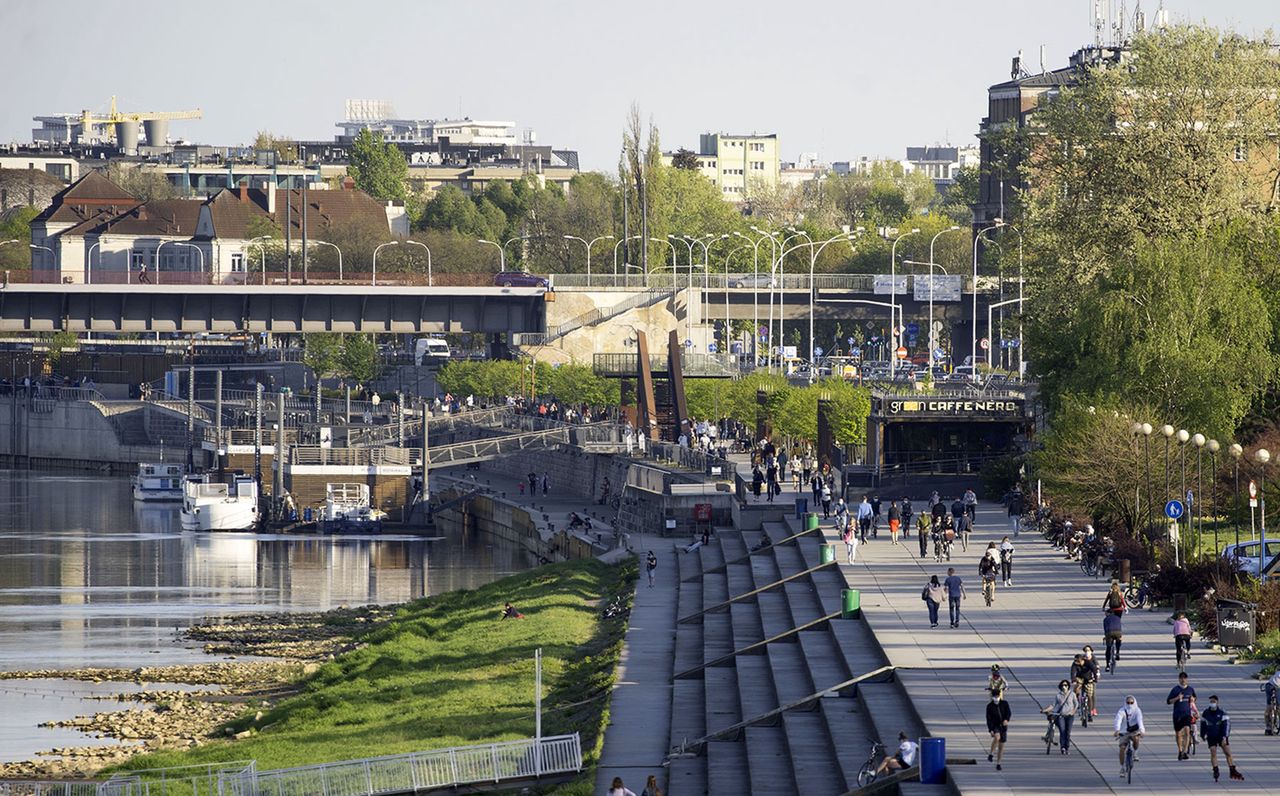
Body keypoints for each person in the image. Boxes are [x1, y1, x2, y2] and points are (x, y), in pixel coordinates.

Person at [1200, 695, 1245, 781]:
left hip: (1221, 735)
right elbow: (1203, 724)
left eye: (1214, 702)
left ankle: (1232, 769)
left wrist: (1225, 736)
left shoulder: (1222, 713)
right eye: (1211, 702)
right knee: (1213, 752)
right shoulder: (1206, 713)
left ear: (1217, 702)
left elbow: (1226, 725)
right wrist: (1203, 734)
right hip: (1211, 735)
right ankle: (1215, 769)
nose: (1212, 703)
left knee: (1228, 753)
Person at [1043, 678, 1080, 754]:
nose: (1064, 687)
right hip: (1061, 716)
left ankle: (1067, 747)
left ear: (1068, 686)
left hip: (1069, 716)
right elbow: (1053, 705)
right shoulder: (1058, 695)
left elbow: (1076, 704)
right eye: (1063, 685)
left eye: (1066, 685)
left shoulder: (1072, 694)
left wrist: (1073, 712)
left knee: (1068, 732)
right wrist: (1045, 710)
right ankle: (1063, 748)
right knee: (1062, 731)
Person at [1114, 695, 1146, 779]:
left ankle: (1135, 751)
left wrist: (1142, 731)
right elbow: (1118, 719)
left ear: (1134, 702)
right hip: (1124, 732)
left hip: (1134, 731)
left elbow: (1140, 721)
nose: (1130, 704)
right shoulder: (1122, 710)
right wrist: (1117, 730)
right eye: (1128, 703)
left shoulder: (1137, 710)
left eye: (1131, 703)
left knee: (1136, 738)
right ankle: (1122, 767)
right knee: (1122, 749)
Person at [1167, 671, 1197, 760]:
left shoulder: (1190, 689)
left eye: (1184, 678)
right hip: (1177, 714)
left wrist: (1193, 699)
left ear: (1187, 679)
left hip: (1187, 714)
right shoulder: (1175, 689)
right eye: (1181, 678)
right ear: (1179, 679)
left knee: (1187, 731)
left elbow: (1194, 698)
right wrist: (1177, 698)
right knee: (1178, 734)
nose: (1183, 680)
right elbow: (1168, 701)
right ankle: (1180, 751)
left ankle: (1184, 751)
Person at [986, 688, 1011, 770]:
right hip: (995, 725)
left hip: (1003, 726)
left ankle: (999, 763)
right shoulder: (989, 706)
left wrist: (1006, 720)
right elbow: (988, 719)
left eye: (997, 696)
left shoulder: (1004, 703)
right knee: (997, 737)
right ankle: (991, 753)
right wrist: (991, 730)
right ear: (992, 697)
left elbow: (1008, 713)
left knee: (1001, 746)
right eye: (994, 696)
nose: (996, 698)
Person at [1264, 669, 1280, 735]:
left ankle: (1268, 728)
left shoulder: (1277, 672)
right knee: (1279, 707)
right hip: (1277, 687)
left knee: (1269, 705)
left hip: (1269, 685)